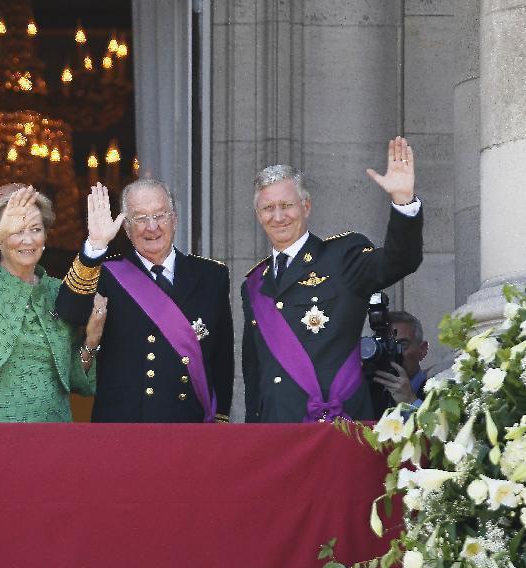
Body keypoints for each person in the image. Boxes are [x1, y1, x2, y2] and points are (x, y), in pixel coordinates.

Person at [242, 136, 424, 423]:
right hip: (276, 432)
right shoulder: (254, 283)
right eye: (268, 208)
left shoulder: (341, 257)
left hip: (336, 424)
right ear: (258, 214)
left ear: (307, 206)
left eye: (287, 205)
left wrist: (403, 202)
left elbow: (399, 261)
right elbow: (256, 373)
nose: (278, 217)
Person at [55, 179, 234, 423]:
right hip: (125, 426)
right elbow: (68, 311)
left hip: (190, 424)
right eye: (140, 218)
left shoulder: (211, 276)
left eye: (160, 215)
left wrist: (220, 417)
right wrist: (96, 246)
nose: (152, 227)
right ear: (126, 228)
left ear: (174, 219)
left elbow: (222, 357)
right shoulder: (106, 274)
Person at [0, 184, 102, 422]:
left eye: (36, 229)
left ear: (45, 236)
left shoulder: (60, 290)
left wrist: (91, 340)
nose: (27, 239)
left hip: (50, 427)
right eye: (16, 230)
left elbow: (75, 377)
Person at [371, 310, 430, 417]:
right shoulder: (371, 394)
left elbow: (441, 432)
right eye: (386, 347)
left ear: (422, 349)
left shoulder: (439, 391)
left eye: (402, 345)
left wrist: (410, 401)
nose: (392, 354)